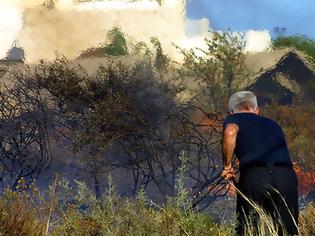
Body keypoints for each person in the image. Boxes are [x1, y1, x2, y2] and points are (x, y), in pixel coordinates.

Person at [221, 91, 299, 236]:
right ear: (257, 110)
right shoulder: (273, 124)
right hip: (286, 176)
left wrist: (227, 167)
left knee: (249, 229)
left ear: (232, 112)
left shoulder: (234, 119)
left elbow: (230, 132)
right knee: (289, 230)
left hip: (256, 177)